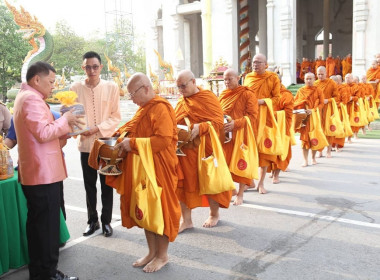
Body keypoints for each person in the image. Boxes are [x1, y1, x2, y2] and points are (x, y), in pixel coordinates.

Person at [105, 73, 181, 273]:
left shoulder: (161, 108)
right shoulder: (143, 110)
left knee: (160, 210)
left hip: (159, 168)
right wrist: (119, 138)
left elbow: (163, 139)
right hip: (141, 167)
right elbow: (130, 129)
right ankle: (151, 252)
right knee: (145, 209)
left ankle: (162, 255)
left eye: (132, 93)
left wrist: (134, 143)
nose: (131, 98)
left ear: (146, 88)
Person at [13, 61, 81, 280]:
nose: (53, 87)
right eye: (51, 82)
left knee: (39, 228)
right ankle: (47, 274)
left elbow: (41, 135)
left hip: (38, 173)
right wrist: (65, 120)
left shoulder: (27, 97)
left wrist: (64, 126)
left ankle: (43, 272)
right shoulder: (32, 99)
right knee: (46, 229)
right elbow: (43, 133)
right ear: (36, 79)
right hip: (43, 175)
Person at [70, 51, 121, 237]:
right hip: (85, 144)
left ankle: (106, 221)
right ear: (83, 68)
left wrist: (98, 128)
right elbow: (72, 114)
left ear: (100, 67)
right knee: (89, 185)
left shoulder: (111, 87)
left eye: (95, 66)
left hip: (106, 144)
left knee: (107, 183)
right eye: (87, 67)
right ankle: (92, 221)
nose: (91, 70)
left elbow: (116, 116)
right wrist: (77, 128)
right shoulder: (75, 87)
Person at [174, 69, 231, 232]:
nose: (181, 90)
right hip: (185, 150)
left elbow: (219, 123)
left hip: (205, 149)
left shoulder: (208, 98)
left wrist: (202, 127)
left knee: (210, 182)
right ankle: (187, 221)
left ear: (193, 82)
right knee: (182, 185)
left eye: (183, 86)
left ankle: (214, 214)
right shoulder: (181, 101)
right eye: (178, 87)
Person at [5, 110, 67, 221]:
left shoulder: (54, 115)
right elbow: (11, 139)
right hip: (31, 170)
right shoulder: (20, 114)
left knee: (56, 206)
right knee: (37, 211)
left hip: (52, 169)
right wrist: (2, 148)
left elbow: (62, 141)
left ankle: (60, 235)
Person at [219, 68, 258, 205]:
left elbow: (253, 116)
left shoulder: (247, 94)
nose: (227, 82)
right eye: (224, 79)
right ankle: (232, 190)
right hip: (225, 134)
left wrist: (236, 123)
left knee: (241, 163)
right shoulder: (223, 94)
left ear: (238, 78)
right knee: (226, 163)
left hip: (241, 133)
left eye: (230, 79)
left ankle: (240, 194)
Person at [243, 53, 280, 194]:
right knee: (247, 150)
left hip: (265, 118)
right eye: (254, 62)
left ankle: (261, 183)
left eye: (258, 62)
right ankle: (249, 182)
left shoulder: (272, 78)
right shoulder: (248, 77)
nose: (255, 64)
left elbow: (277, 98)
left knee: (263, 151)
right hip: (250, 118)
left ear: (266, 65)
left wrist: (262, 101)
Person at [294, 73, 323, 167]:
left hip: (314, 117)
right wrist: (302, 106)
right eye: (307, 79)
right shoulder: (300, 90)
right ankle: (305, 160)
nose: (309, 80)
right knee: (304, 139)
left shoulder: (318, 90)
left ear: (314, 79)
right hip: (304, 118)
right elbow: (295, 103)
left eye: (310, 79)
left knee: (314, 137)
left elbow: (322, 103)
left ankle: (313, 158)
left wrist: (313, 110)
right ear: (304, 80)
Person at [269, 81, 294, 184]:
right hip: (269, 125)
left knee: (280, 150)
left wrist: (272, 114)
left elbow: (288, 112)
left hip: (282, 126)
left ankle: (276, 174)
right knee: (269, 148)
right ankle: (272, 169)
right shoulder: (268, 93)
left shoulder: (286, 95)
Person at [314, 66, 338, 158]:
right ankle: (320, 150)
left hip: (328, 109)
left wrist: (328, 100)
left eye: (322, 74)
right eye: (318, 74)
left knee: (329, 130)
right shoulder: (315, 83)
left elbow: (337, 97)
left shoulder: (331, 83)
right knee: (319, 129)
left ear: (326, 73)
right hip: (318, 110)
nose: (320, 76)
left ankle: (328, 150)